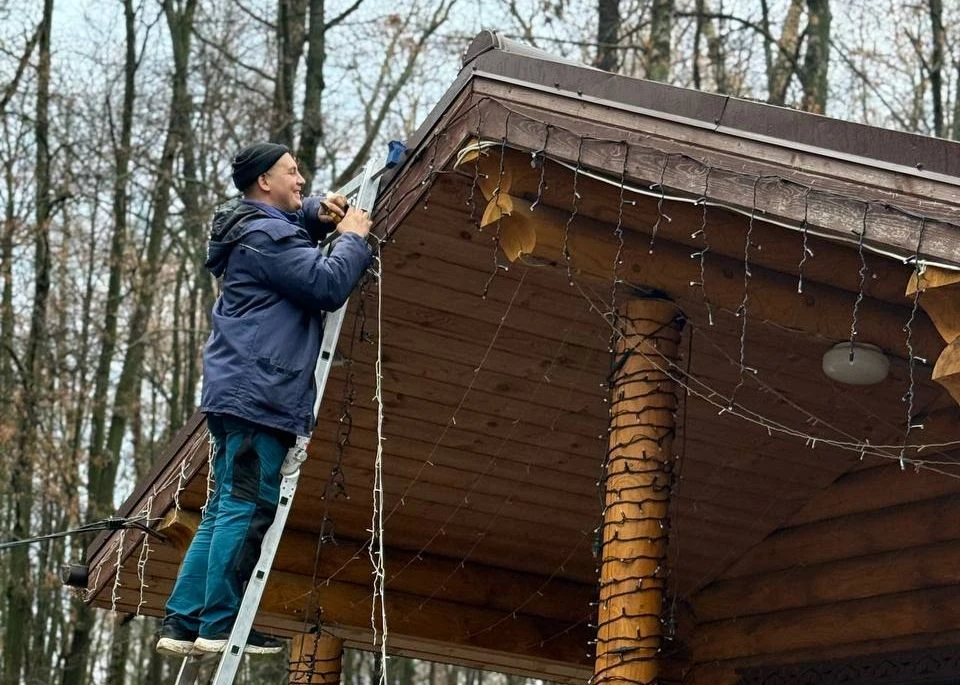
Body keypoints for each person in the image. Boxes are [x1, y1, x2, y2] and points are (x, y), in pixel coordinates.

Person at [156, 142, 372, 657]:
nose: (301, 181)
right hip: (262, 392)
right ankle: (220, 626)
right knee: (247, 507)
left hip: (239, 390)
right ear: (263, 184)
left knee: (222, 508)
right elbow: (325, 282)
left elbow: (293, 238)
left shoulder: (252, 230)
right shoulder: (266, 235)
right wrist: (353, 240)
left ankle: (183, 622)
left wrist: (319, 214)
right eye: (292, 174)